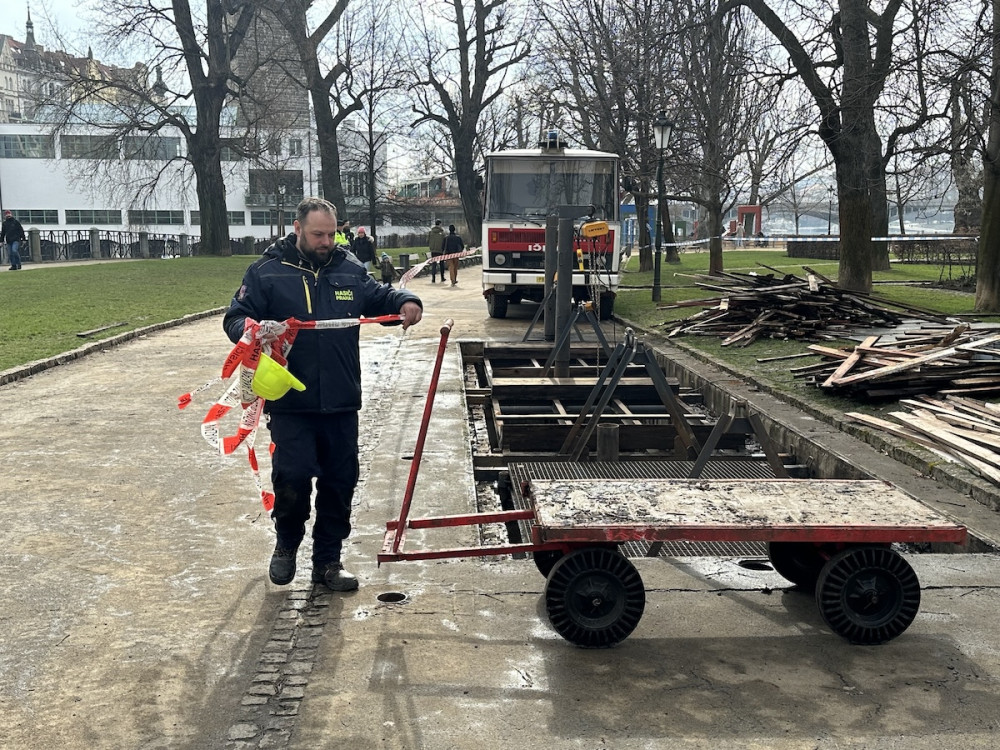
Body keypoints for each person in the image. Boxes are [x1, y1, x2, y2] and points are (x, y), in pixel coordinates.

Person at [223, 197, 422, 591]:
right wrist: (254, 330)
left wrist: (406, 302)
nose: (327, 241)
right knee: (292, 477)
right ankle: (286, 546)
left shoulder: (349, 268)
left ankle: (328, 562)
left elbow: (378, 296)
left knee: (339, 480)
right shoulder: (267, 272)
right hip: (291, 402)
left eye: (331, 233)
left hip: (341, 400)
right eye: (318, 234)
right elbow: (234, 317)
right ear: (297, 229)